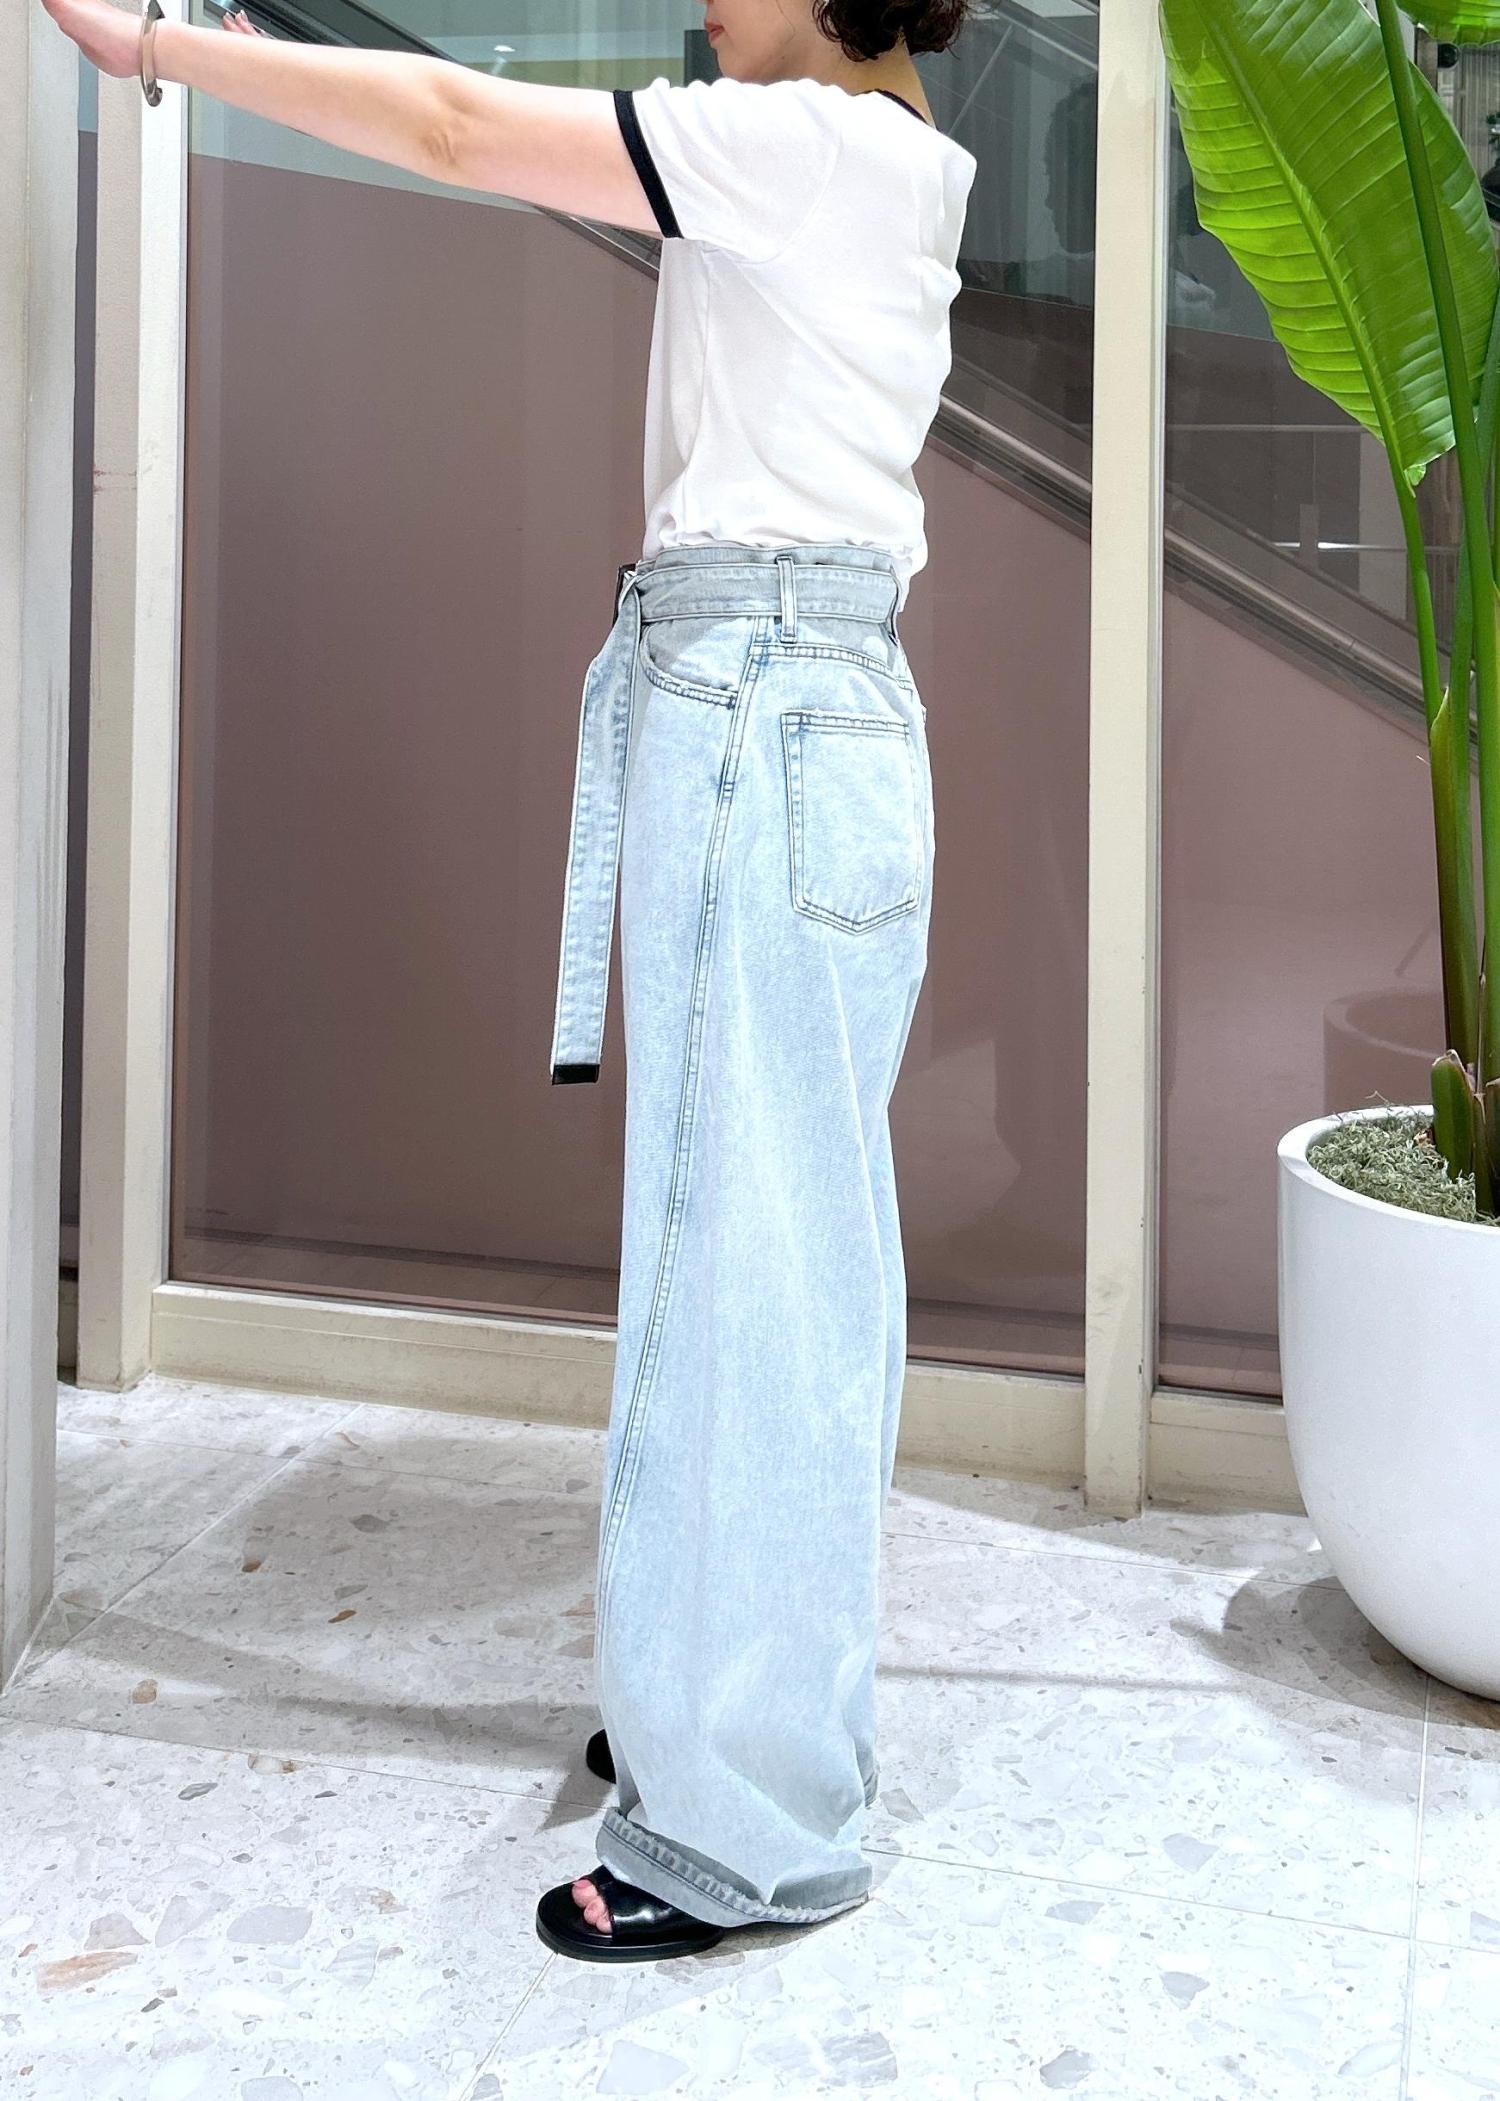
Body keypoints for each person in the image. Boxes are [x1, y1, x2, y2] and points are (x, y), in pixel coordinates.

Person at [41, 0, 977, 1966]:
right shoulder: (884, 161)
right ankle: (717, 1714)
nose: (696, 1)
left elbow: (458, 128)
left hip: (756, 717)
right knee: (768, 1262)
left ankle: (748, 1825)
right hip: (812, 710)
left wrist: (156, 47)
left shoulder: (796, 147)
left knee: (749, 1274)